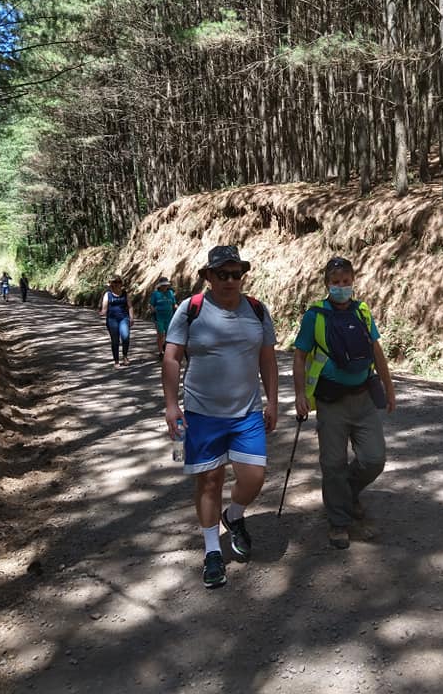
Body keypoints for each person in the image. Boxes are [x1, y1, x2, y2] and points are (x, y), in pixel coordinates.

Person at [162, 245, 278, 589]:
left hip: (247, 412)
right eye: (222, 274)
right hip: (202, 413)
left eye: (235, 274)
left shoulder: (257, 310)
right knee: (209, 481)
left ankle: (234, 515)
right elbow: (171, 357)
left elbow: (267, 359)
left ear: (243, 276)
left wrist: (273, 401)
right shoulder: (191, 309)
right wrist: (171, 405)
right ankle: (212, 550)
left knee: (254, 477)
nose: (230, 280)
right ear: (209, 277)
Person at [292, 256, 395, 550]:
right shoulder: (315, 316)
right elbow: (299, 356)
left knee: (374, 459)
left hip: (363, 398)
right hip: (331, 401)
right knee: (333, 463)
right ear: (327, 284)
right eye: (335, 282)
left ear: (353, 281)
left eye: (346, 281)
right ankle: (338, 521)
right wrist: (300, 394)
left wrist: (389, 388)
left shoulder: (362, 311)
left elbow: (376, 351)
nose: (341, 287)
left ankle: (345, 494)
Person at [99, 274, 134, 367]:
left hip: (124, 318)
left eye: (119, 282)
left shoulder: (125, 294)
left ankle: (125, 356)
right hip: (112, 319)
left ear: (121, 283)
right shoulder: (107, 294)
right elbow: (104, 308)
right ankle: (116, 360)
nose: (117, 284)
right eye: (115, 282)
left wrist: (131, 318)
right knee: (115, 340)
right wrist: (102, 312)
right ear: (111, 283)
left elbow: (130, 306)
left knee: (125, 337)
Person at [149, 277, 177, 358]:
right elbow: (151, 305)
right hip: (159, 318)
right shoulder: (155, 294)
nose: (165, 287)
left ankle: (167, 350)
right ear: (160, 286)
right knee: (160, 335)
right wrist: (153, 310)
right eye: (163, 285)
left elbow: (174, 304)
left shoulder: (170, 293)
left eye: (166, 285)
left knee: (169, 335)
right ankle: (161, 352)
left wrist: (178, 308)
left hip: (169, 317)